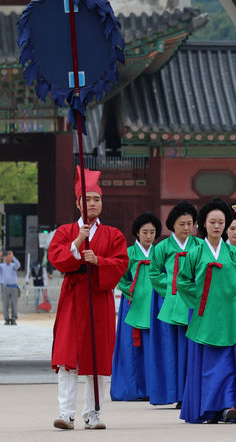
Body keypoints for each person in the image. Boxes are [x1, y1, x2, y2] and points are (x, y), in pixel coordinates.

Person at [48, 167, 129, 430]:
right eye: (87, 199)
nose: (91, 203)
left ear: (102, 203)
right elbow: (56, 258)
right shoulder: (64, 231)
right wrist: (76, 243)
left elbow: (120, 264)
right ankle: (66, 413)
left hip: (99, 298)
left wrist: (99, 261)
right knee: (67, 356)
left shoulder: (114, 234)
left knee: (97, 359)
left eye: (96, 199)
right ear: (77, 203)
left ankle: (92, 414)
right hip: (73, 298)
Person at [176, 198, 236, 423]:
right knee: (207, 365)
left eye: (221, 222)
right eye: (213, 222)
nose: (217, 226)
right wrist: (199, 298)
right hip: (205, 315)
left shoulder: (234, 254)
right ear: (203, 225)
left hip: (229, 316)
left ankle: (228, 406)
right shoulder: (195, 252)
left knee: (229, 364)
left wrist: (233, 296)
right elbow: (183, 280)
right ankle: (208, 409)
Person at [148, 200, 201, 407]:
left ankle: (190, 393)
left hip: (193, 303)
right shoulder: (162, 247)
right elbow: (154, 273)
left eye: (190, 223)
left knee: (191, 351)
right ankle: (174, 393)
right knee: (171, 352)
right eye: (182, 224)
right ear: (173, 225)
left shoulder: (198, 245)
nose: (187, 228)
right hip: (171, 304)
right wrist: (170, 287)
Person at [111, 212, 162, 401]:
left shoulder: (159, 253)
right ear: (137, 233)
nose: (148, 236)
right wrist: (132, 291)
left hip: (155, 306)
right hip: (132, 305)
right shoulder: (128, 253)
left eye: (152, 232)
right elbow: (120, 277)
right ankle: (131, 388)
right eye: (145, 232)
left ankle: (152, 388)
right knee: (130, 347)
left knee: (153, 348)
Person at [1, 250, 21, 325]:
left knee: (14, 303)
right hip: (5, 287)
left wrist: (13, 257)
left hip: (13, 286)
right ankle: (6, 319)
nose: (7, 258)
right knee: (5, 303)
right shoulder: (2, 266)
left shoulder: (13, 265)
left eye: (9, 257)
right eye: (6, 257)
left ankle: (13, 318)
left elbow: (18, 265)